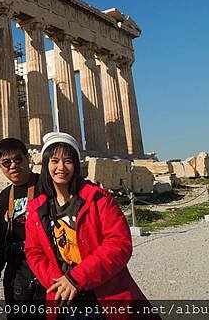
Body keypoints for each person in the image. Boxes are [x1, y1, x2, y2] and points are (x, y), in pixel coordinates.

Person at [25, 132, 156, 319]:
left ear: (76, 165)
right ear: (46, 165)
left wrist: (76, 279)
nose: (61, 167)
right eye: (54, 161)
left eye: (68, 161)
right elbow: (33, 251)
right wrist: (58, 283)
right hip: (62, 296)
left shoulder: (98, 198)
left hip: (102, 294)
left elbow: (119, 244)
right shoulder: (37, 209)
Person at [0, 138, 43, 319]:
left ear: (28, 158)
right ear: (0, 166)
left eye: (18, 159)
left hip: (47, 269)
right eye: (6, 162)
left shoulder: (47, 187)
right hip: (17, 273)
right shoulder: (4, 197)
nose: (13, 166)